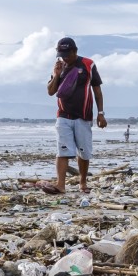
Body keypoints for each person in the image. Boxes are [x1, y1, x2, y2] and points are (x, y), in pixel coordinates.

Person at [42, 37, 105, 194]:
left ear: (75, 51)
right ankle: (60, 185)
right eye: (61, 55)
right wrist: (56, 75)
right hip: (63, 116)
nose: (64, 58)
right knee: (63, 150)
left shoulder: (88, 64)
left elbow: (97, 90)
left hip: (83, 116)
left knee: (84, 152)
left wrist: (101, 113)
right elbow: (50, 92)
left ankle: (82, 182)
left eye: (67, 54)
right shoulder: (59, 67)